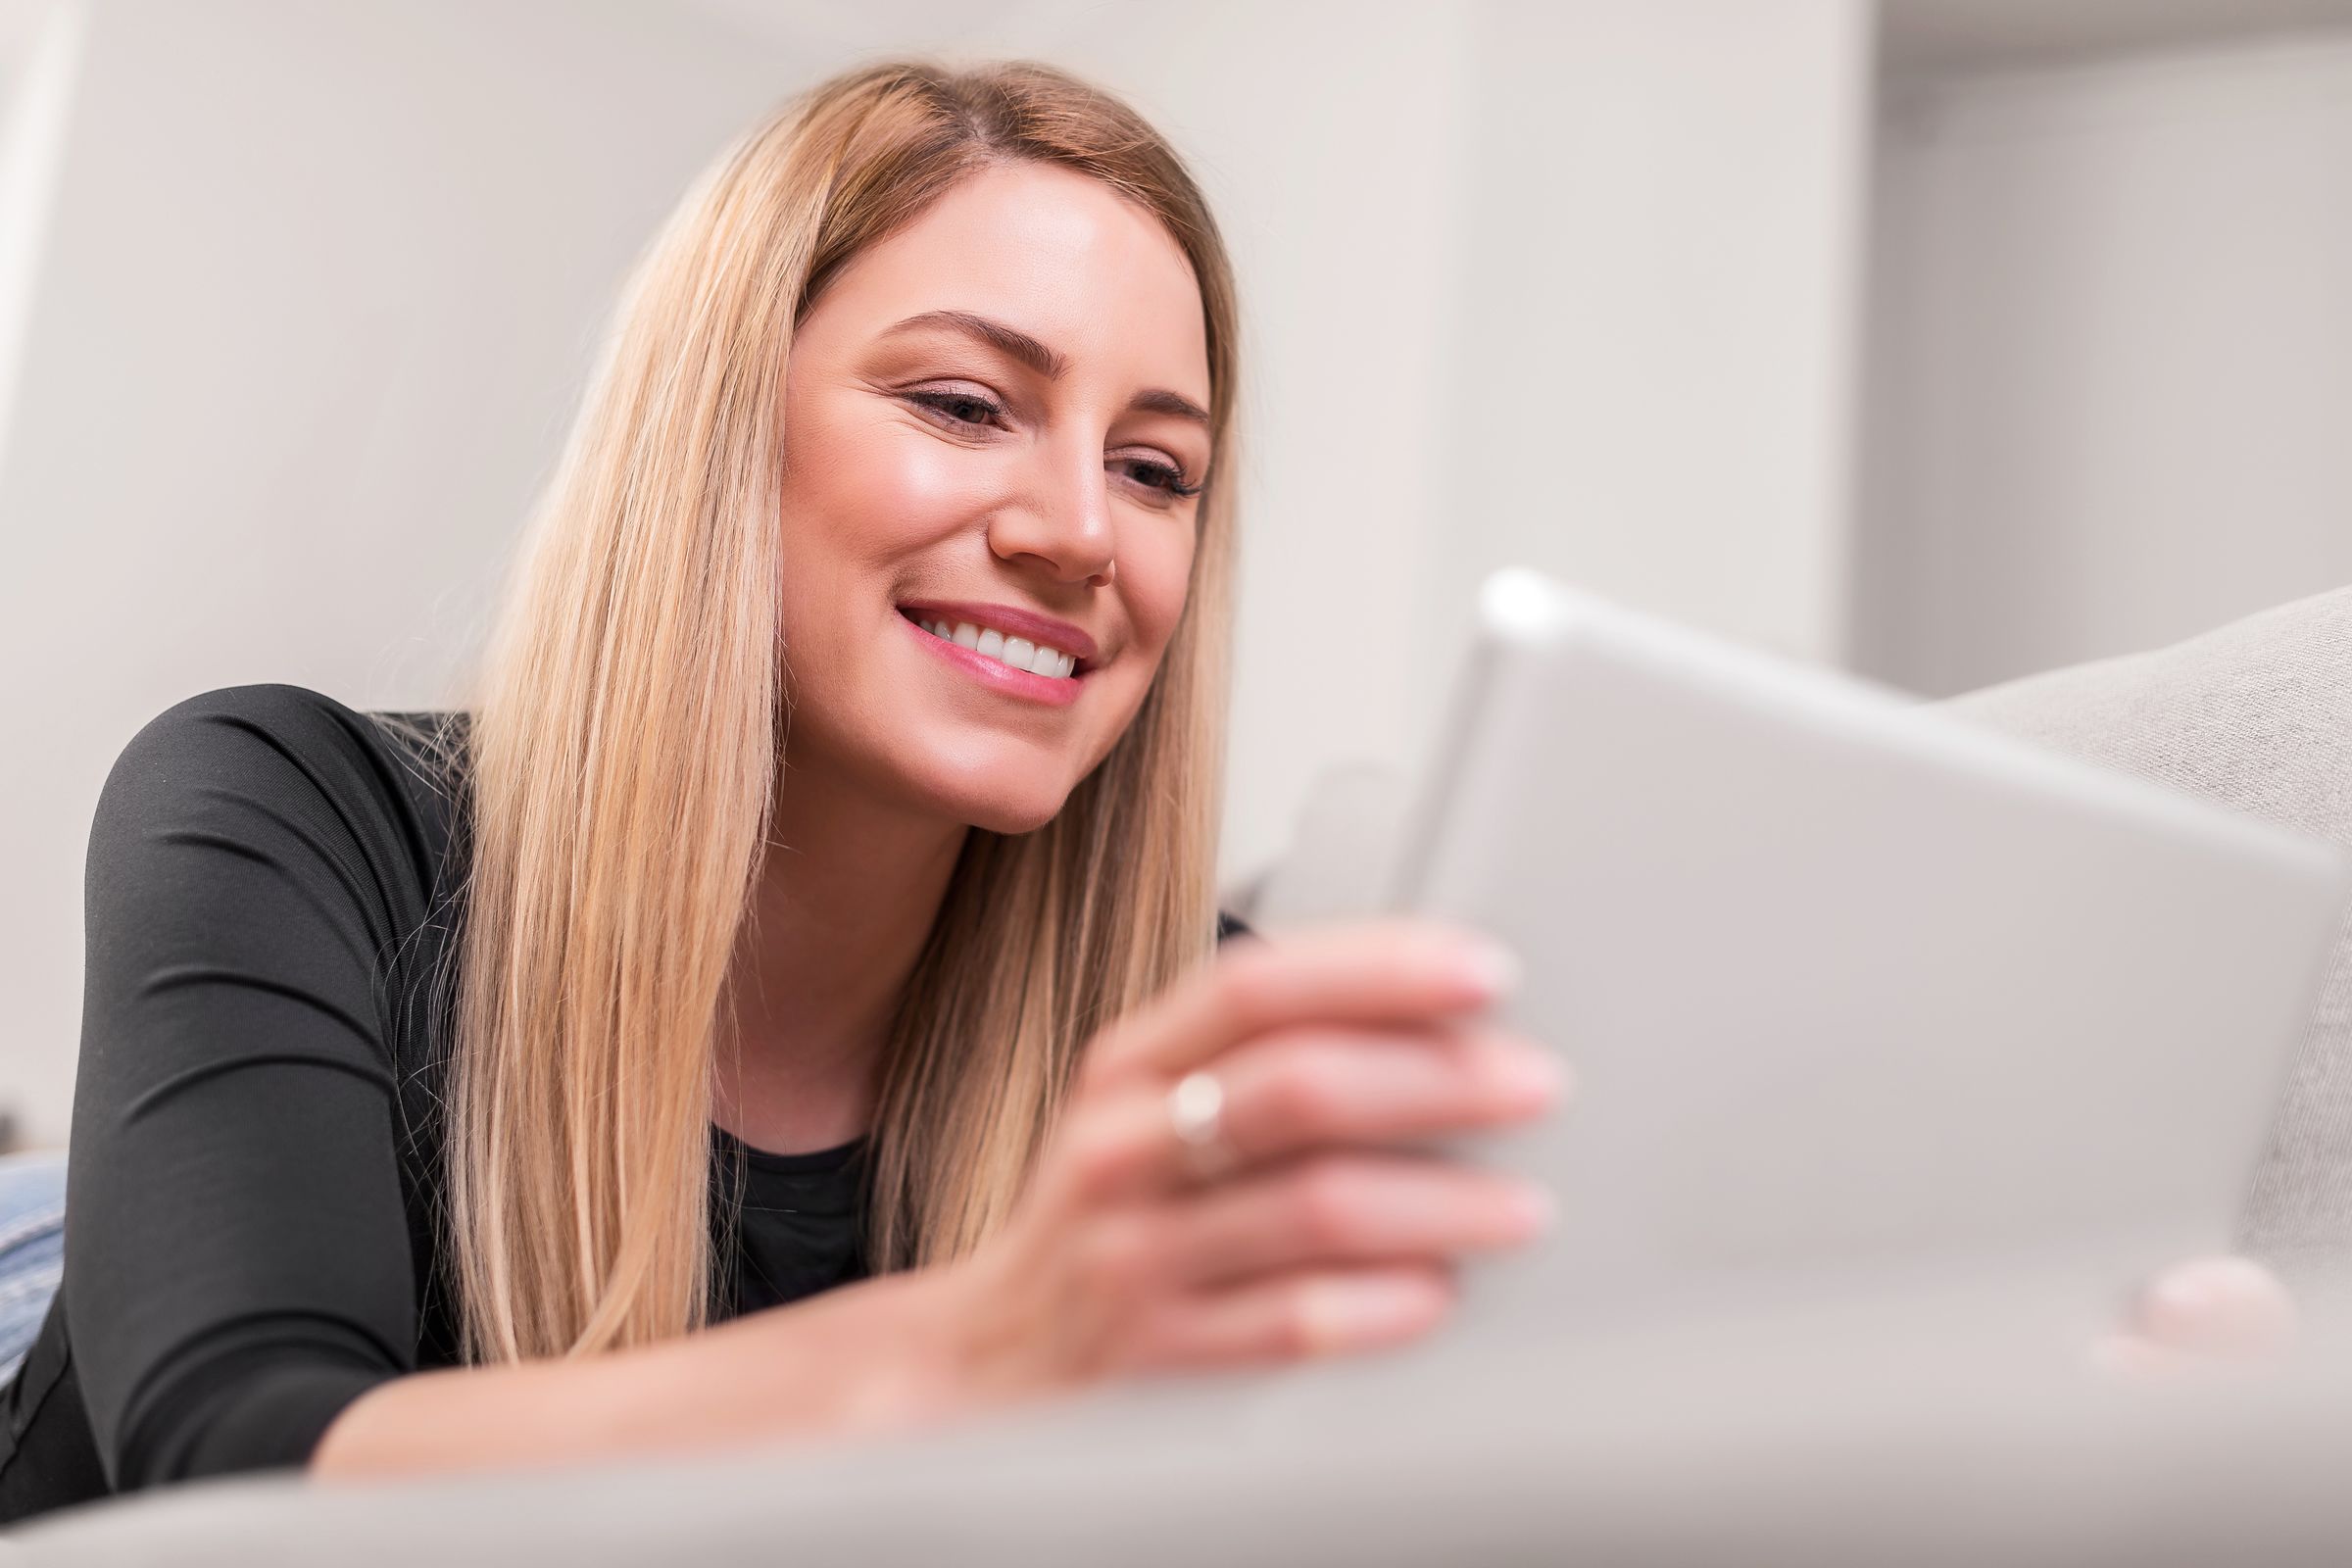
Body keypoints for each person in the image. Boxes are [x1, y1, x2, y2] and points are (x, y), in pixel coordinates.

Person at [0, 57, 2288, 1525]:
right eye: (965, 403)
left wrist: (2038, 1423)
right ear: (721, 440)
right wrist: (1000, 1340)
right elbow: (235, 1471)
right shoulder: (282, 809)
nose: (1080, 530)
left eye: (1160, 466)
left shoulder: (1201, 1026)